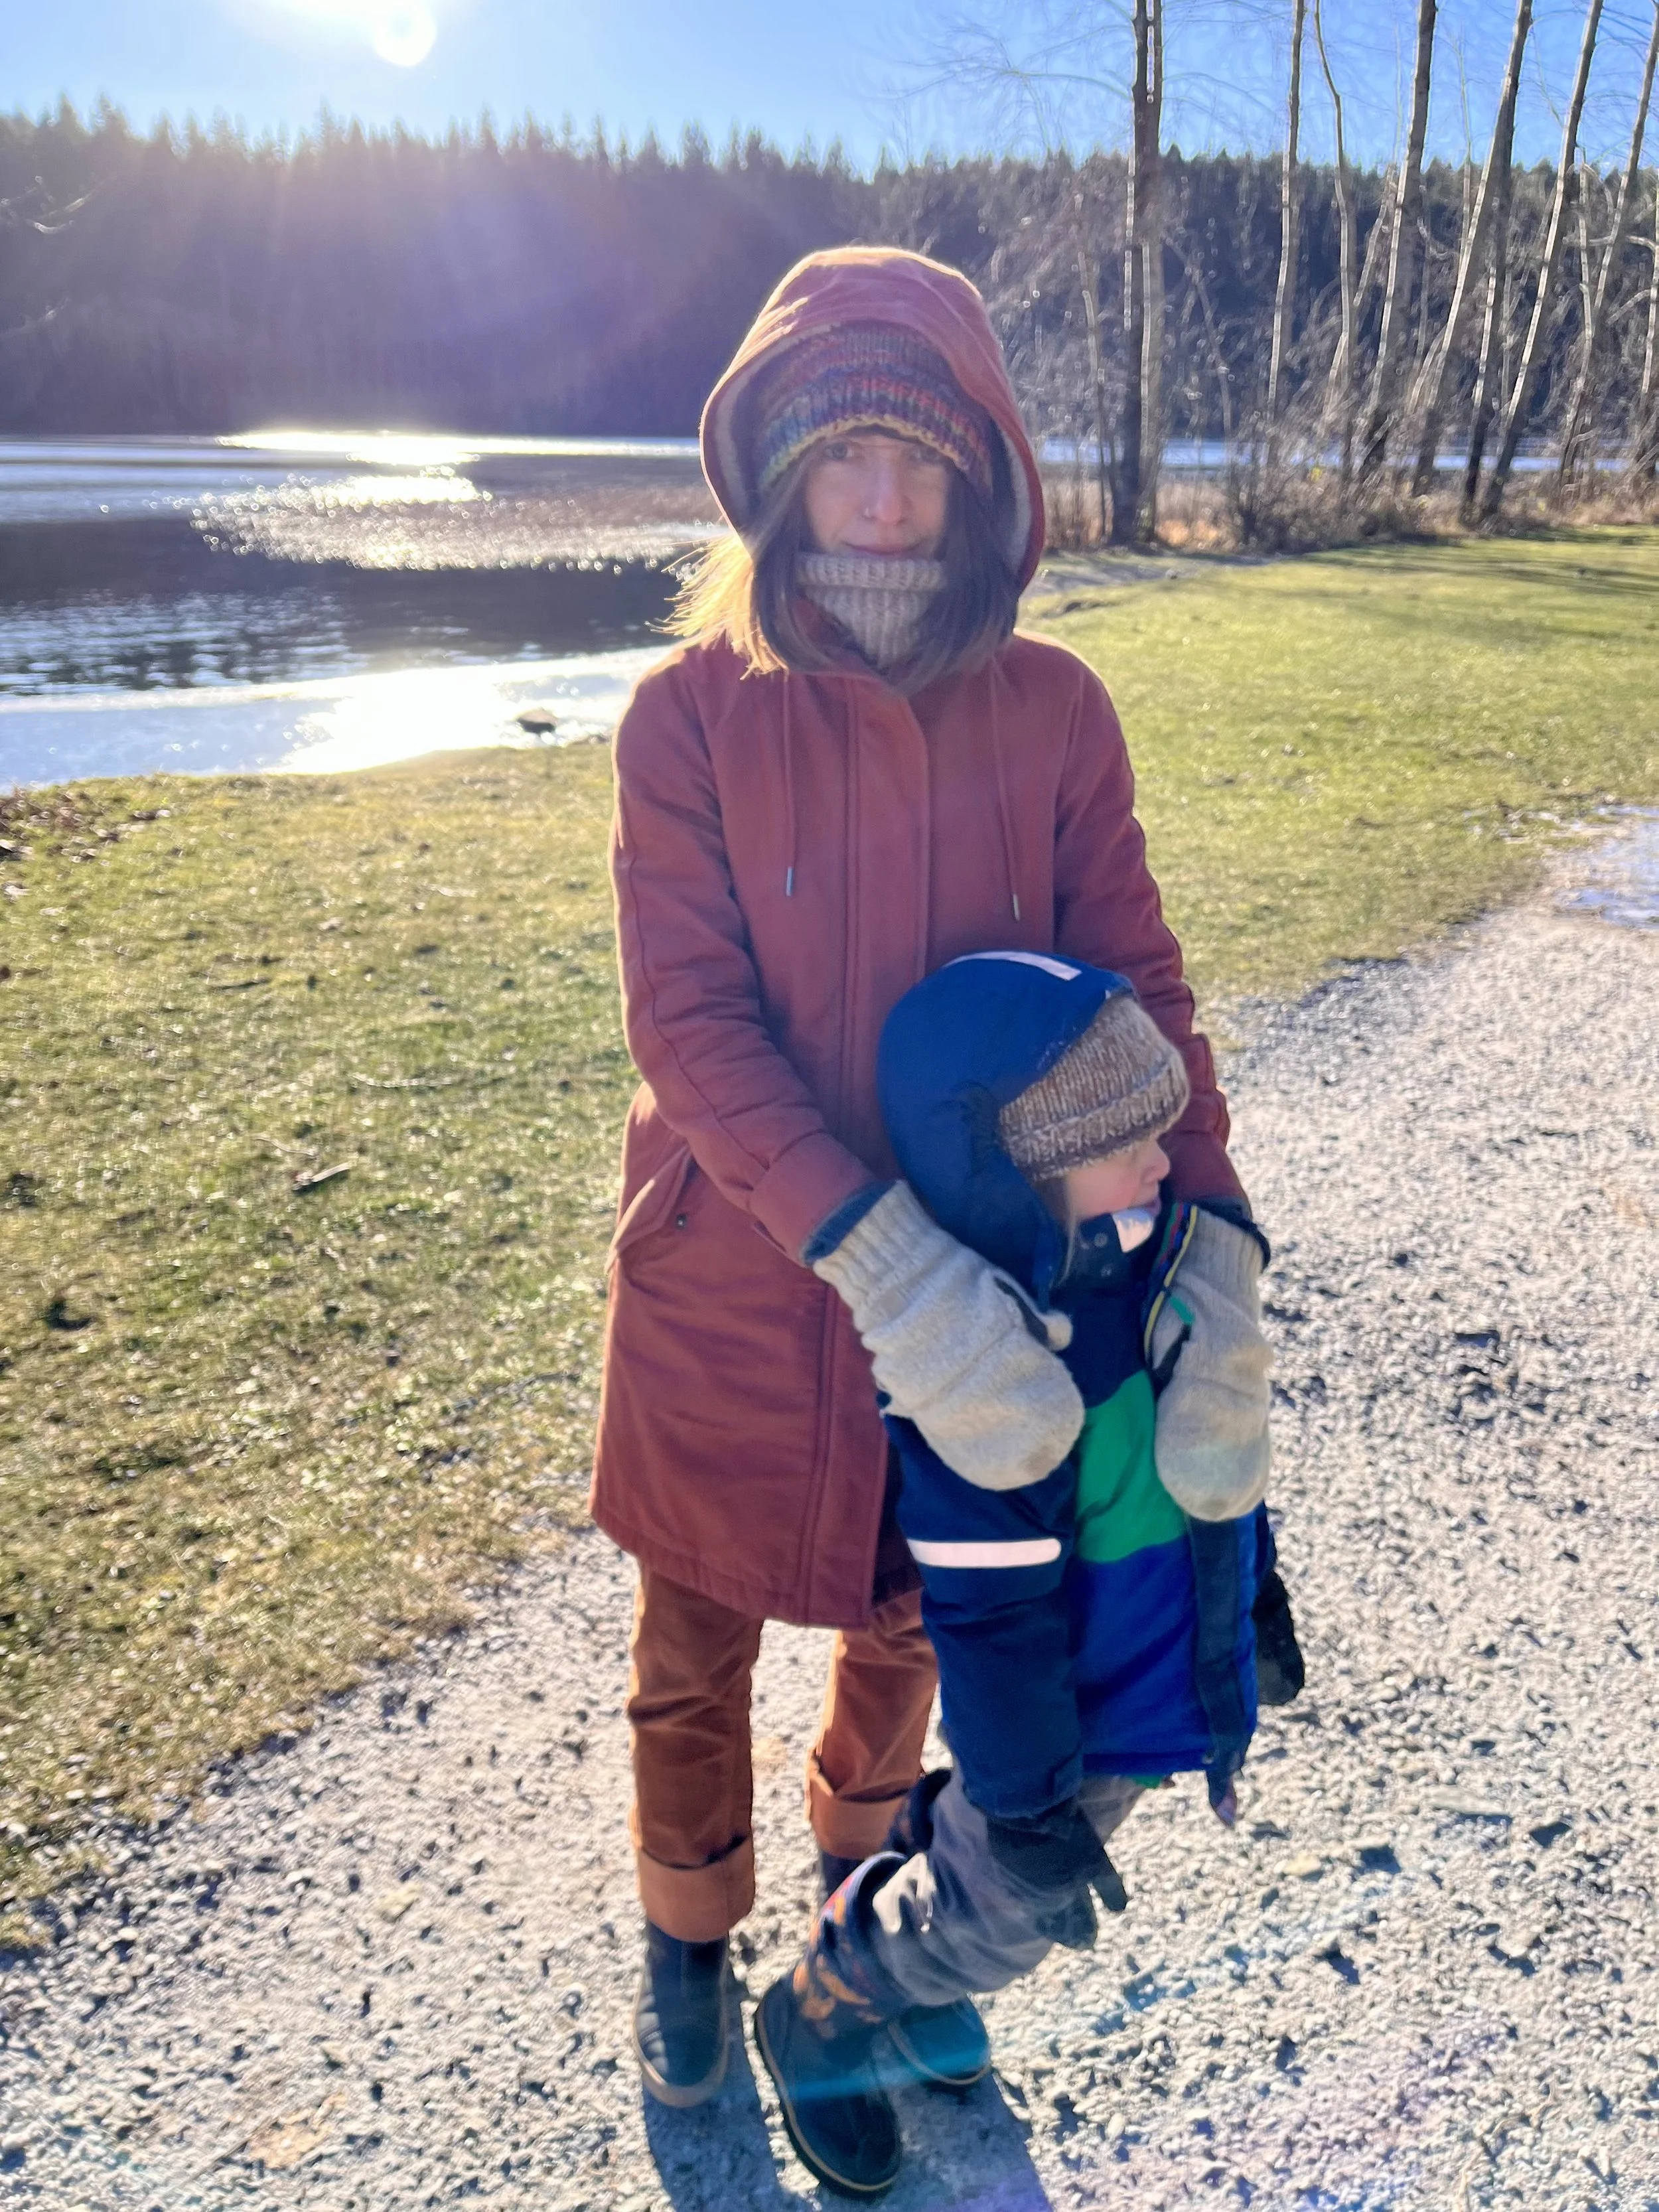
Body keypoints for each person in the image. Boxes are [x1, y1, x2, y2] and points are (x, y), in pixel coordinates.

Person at [590, 244, 1269, 2114]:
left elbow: (1136, 998)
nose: (880, 501)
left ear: (981, 474)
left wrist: (1218, 1250)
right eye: (842, 457)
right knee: (692, 1643)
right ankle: (679, 1937)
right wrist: (872, 1258)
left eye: (919, 458)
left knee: (910, 1621)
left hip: (993, 1297)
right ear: (776, 472)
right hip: (738, 1277)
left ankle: (854, 1932)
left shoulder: (1053, 711)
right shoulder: (684, 718)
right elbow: (693, 1025)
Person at [753, 950, 1303, 2195]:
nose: (1166, 1164)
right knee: (999, 1923)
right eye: (1126, 1146)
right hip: (1066, 1736)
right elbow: (993, 1629)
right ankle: (827, 2003)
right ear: (1018, 1177)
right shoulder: (990, 1389)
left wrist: (1260, 1597)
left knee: (985, 1896)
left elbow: (1218, 1476)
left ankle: (919, 1913)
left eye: (1159, 1136)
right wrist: (1036, 1808)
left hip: (1144, 1695)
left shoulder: (1145, 1280)